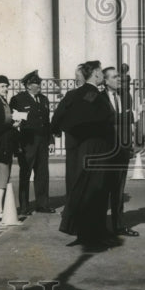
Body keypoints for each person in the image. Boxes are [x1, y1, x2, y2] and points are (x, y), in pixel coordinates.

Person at [57, 60, 115, 250]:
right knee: (96, 191)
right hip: (96, 147)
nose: (101, 75)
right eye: (99, 72)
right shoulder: (91, 93)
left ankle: (85, 233)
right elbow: (92, 116)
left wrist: (69, 134)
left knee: (83, 189)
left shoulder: (76, 94)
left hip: (81, 148)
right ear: (95, 74)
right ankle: (93, 235)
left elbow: (59, 119)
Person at [9, 70, 55, 217]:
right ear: (28, 85)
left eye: (40, 83)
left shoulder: (44, 99)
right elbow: (12, 120)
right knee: (25, 173)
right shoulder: (18, 99)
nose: (39, 85)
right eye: (37, 83)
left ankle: (43, 204)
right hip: (27, 141)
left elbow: (47, 123)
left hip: (42, 142)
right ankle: (24, 207)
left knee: (42, 173)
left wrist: (51, 141)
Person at [103, 66, 139, 237]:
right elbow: (105, 121)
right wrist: (132, 116)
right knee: (102, 189)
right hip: (105, 151)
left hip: (122, 150)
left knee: (118, 188)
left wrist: (130, 144)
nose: (119, 80)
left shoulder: (126, 96)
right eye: (115, 77)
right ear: (105, 80)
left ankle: (118, 225)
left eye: (119, 77)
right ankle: (100, 227)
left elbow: (127, 124)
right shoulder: (99, 98)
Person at [0, 75, 20, 222]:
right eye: (2, 86)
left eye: (6, 86)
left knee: (5, 174)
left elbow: (5, 121)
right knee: (1, 174)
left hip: (6, 142)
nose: (5, 89)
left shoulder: (3, 101)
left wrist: (14, 120)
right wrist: (11, 125)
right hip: (0, 143)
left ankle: (2, 207)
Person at [51, 63, 86, 198]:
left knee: (72, 171)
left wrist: (56, 129)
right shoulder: (94, 95)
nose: (75, 78)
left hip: (72, 139)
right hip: (89, 140)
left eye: (77, 76)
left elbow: (59, 114)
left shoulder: (71, 95)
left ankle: (72, 202)